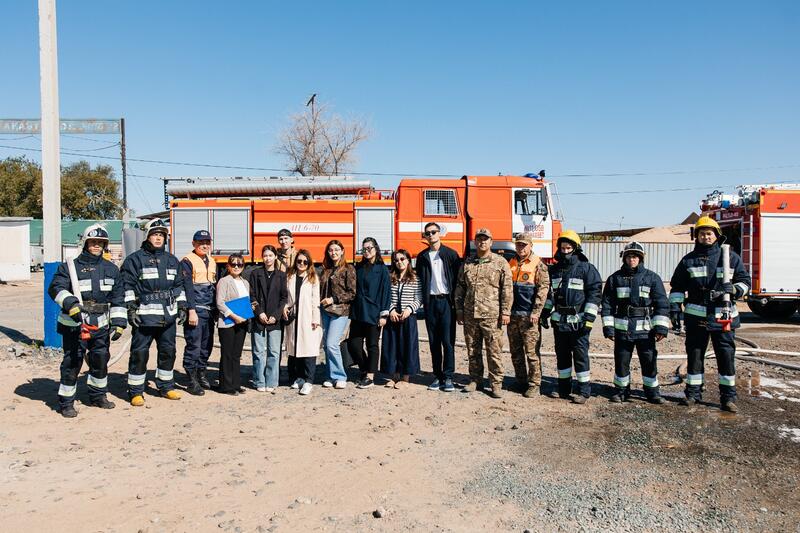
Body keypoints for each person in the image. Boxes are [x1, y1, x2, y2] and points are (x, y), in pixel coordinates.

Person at [669, 216, 751, 412]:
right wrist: (675, 308)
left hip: (723, 315)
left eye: (709, 233)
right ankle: (693, 394)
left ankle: (728, 398)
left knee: (725, 356)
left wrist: (735, 289)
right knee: (695, 355)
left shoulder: (730, 257)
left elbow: (745, 281)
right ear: (696, 237)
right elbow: (677, 287)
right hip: (696, 317)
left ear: (716, 235)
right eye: (702, 234)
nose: (705, 237)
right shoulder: (688, 260)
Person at [48, 224, 128, 417]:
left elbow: (118, 297)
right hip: (74, 325)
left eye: (100, 242)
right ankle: (66, 402)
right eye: (93, 242)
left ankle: (98, 396)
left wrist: (118, 323)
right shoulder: (69, 267)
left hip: (100, 324)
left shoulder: (111, 269)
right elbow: (56, 288)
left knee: (100, 360)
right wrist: (71, 304)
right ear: (85, 243)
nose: (96, 245)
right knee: (72, 362)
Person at [121, 218, 188, 406]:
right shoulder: (135, 260)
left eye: (161, 235)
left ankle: (166, 387)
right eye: (155, 234)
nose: (158, 238)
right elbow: (127, 285)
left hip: (168, 316)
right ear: (147, 236)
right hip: (144, 316)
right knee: (139, 354)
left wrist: (182, 306)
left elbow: (179, 285)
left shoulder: (172, 260)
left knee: (168, 352)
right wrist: (131, 308)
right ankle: (136, 391)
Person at [601, 242, 670, 404]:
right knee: (622, 361)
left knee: (648, 360)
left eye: (635, 256)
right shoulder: (615, 278)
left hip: (645, 331)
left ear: (640, 258)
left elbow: (661, 304)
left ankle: (652, 392)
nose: (632, 259)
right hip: (622, 330)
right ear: (624, 258)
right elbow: (607, 305)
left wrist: (661, 327)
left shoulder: (652, 278)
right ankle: (621, 391)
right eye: (629, 256)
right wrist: (609, 328)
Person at [541, 230, 602, 404]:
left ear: (575, 248)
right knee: (562, 356)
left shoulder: (586, 269)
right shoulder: (555, 270)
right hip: (560, 322)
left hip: (579, 322)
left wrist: (589, 318)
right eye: (563, 247)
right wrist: (545, 313)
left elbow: (595, 294)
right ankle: (563, 388)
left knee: (580, 357)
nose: (565, 250)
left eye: (569, 247)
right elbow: (550, 295)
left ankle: (584, 391)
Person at [454, 228, 513, 399]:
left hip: (492, 316)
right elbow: (460, 287)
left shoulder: (500, 262)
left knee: (494, 351)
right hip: (470, 315)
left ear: (491, 242)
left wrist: (506, 312)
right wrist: (459, 310)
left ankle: (496, 384)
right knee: (473, 350)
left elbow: (507, 289)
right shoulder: (468, 263)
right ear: (475, 242)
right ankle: (475, 380)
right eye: (479, 239)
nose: (482, 242)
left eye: (485, 239)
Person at [415, 222, 461, 392]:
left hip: (447, 302)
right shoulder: (422, 257)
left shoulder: (451, 254)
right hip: (431, 303)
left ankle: (448, 377)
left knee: (448, 341)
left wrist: (458, 304)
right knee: (434, 341)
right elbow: (419, 280)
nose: (431, 235)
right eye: (427, 233)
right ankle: (437, 376)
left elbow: (458, 281)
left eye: (433, 232)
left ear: (439, 233)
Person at [507, 232, 551, 398]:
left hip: (529, 316)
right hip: (513, 316)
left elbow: (543, 290)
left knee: (532, 353)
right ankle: (520, 381)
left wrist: (536, 312)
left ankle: (534, 384)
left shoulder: (538, 264)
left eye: (524, 245)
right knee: (515, 351)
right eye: (518, 244)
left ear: (531, 245)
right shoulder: (511, 262)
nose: (521, 248)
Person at [347, 237, 391, 389]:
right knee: (353, 344)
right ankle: (365, 368)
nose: (366, 251)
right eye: (364, 249)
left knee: (372, 345)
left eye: (369, 248)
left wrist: (384, 314)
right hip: (358, 312)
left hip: (374, 312)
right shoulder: (358, 267)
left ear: (376, 249)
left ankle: (370, 376)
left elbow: (386, 292)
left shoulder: (382, 269)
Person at [180, 229, 216, 396]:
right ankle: (191, 380)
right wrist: (191, 310)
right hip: (196, 310)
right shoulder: (187, 261)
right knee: (194, 345)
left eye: (207, 242)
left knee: (206, 345)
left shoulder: (212, 261)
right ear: (193, 243)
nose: (204, 245)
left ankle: (201, 373)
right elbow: (187, 287)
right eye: (201, 242)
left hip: (209, 311)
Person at [249, 244, 288, 392]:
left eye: (270, 255)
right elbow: (251, 295)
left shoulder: (281, 275)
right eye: (265, 255)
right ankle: (259, 381)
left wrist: (276, 315)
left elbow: (284, 298)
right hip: (259, 317)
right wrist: (259, 312)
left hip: (274, 319)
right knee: (258, 351)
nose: (268, 258)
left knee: (274, 351)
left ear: (275, 257)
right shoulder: (255, 273)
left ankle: (271, 381)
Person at [381, 249, 422, 389]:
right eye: (396, 260)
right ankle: (394, 376)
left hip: (408, 317)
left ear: (408, 260)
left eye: (402, 259)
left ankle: (405, 378)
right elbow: (386, 296)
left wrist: (409, 309)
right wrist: (391, 310)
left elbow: (419, 298)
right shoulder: (390, 277)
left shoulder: (415, 278)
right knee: (392, 346)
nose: (399, 262)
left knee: (407, 346)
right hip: (393, 317)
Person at [283, 250, 323, 396]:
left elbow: (315, 299)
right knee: (295, 349)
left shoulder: (313, 278)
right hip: (293, 317)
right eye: (299, 261)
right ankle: (299, 377)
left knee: (309, 349)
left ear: (309, 263)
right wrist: (285, 307)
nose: (302, 264)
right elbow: (286, 297)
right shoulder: (290, 276)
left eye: (305, 262)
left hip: (308, 317)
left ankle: (309, 380)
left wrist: (315, 319)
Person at [319, 240, 356, 389]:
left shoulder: (348, 269)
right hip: (325, 311)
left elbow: (352, 293)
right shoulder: (325, 269)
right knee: (326, 346)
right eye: (330, 250)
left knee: (332, 344)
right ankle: (330, 376)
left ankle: (340, 376)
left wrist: (333, 299)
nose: (333, 252)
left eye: (336, 250)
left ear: (342, 251)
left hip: (340, 311)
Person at [215, 253, 250, 396]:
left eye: (239, 264)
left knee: (236, 355)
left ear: (243, 266)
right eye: (233, 264)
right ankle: (226, 386)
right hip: (228, 322)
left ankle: (236, 384)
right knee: (227, 354)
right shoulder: (224, 281)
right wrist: (234, 316)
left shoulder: (245, 282)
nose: (236, 267)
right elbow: (220, 303)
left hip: (241, 323)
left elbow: (245, 301)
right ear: (228, 266)